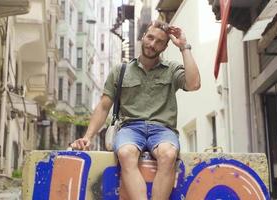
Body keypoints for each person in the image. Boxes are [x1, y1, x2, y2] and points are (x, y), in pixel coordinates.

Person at [71, 20, 200, 200]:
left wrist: (184, 47)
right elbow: (103, 106)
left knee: (169, 155)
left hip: (163, 130)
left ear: (164, 47)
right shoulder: (120, 70)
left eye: (159, 42)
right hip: (130, 128)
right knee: (125, 153)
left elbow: (194, 84)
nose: (152, 44)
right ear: (143, 37)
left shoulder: (171, 69)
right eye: (150, 37)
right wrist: (88, 136)